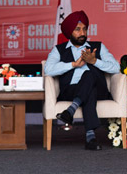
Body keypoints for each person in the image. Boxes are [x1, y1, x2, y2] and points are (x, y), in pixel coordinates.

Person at [44, 10, 120, 150]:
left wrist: (94, 61)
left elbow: (116, 68)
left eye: (84, 29)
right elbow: (48, 69)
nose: (82, 33)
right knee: (88, 89)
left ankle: (71, 110)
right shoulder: (59, 50)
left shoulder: (98, 46)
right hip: (71, 90)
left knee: (89, 75)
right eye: (78, 29)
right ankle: (90, 137)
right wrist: (73, 64)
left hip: (100, 90)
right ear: (69, 32)